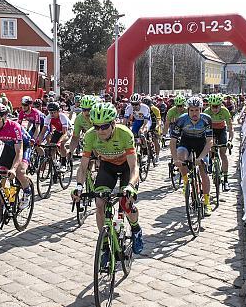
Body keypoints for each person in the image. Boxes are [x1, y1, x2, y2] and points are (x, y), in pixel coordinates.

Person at [71, 102, 143, 261]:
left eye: (104, 127)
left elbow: (134, 167)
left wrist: (131, 186)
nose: (100, 131)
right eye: (96, 127)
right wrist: (78, 187)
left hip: (125, 167)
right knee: (99, 204)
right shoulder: (90, 135)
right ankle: (105, 245)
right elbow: (83, 168)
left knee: (126, 203)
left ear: (113, 123)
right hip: (107, 167)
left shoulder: (125, 134)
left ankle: (136, 229)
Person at [170, 96, 214, 216]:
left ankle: (206, 202)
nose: (194, 113)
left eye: (197, 110)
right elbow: (173, 142)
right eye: (191, 110)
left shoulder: (206, 119)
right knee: (181, 156)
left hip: (201, 143)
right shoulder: (181, 120)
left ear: (201, 110)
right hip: (186, 142)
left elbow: (210, 141)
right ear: (188, 110)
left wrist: (201, 157)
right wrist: (175, 159)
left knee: (203, 171)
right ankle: (186, 181)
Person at [203, 94, 233, 191]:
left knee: (223, 154)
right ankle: (211, 162)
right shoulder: (206, 112)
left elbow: (230, 128)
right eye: (213, 106)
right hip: (211, 130)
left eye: (217, 106)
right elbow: (203, 128)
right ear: (210, 105)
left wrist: (229, 140)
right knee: (211, 147)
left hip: (221, 130)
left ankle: (225, 180)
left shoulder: (225, 111)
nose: (215, 109)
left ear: (221, 105)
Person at [35, 102, 71, 171]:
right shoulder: (48, 117)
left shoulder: (62, 117)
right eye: (50, 112)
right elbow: (42, 132)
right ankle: (55, 163)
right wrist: (38, 142)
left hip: (67, 131)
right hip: (58, 131)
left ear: (58, 111)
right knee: (51, 148)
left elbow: (65, 133)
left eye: (54, 112)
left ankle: (64, 163)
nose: (52, 114)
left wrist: (59, 143)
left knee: (62, 144)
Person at [143, 96, 162, 163]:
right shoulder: (142, 109)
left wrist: (157, 126)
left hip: (155, 125)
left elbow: (158, 120)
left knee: (155, 139)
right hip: (147, 126)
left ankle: (157, 156)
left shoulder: (155, 109)